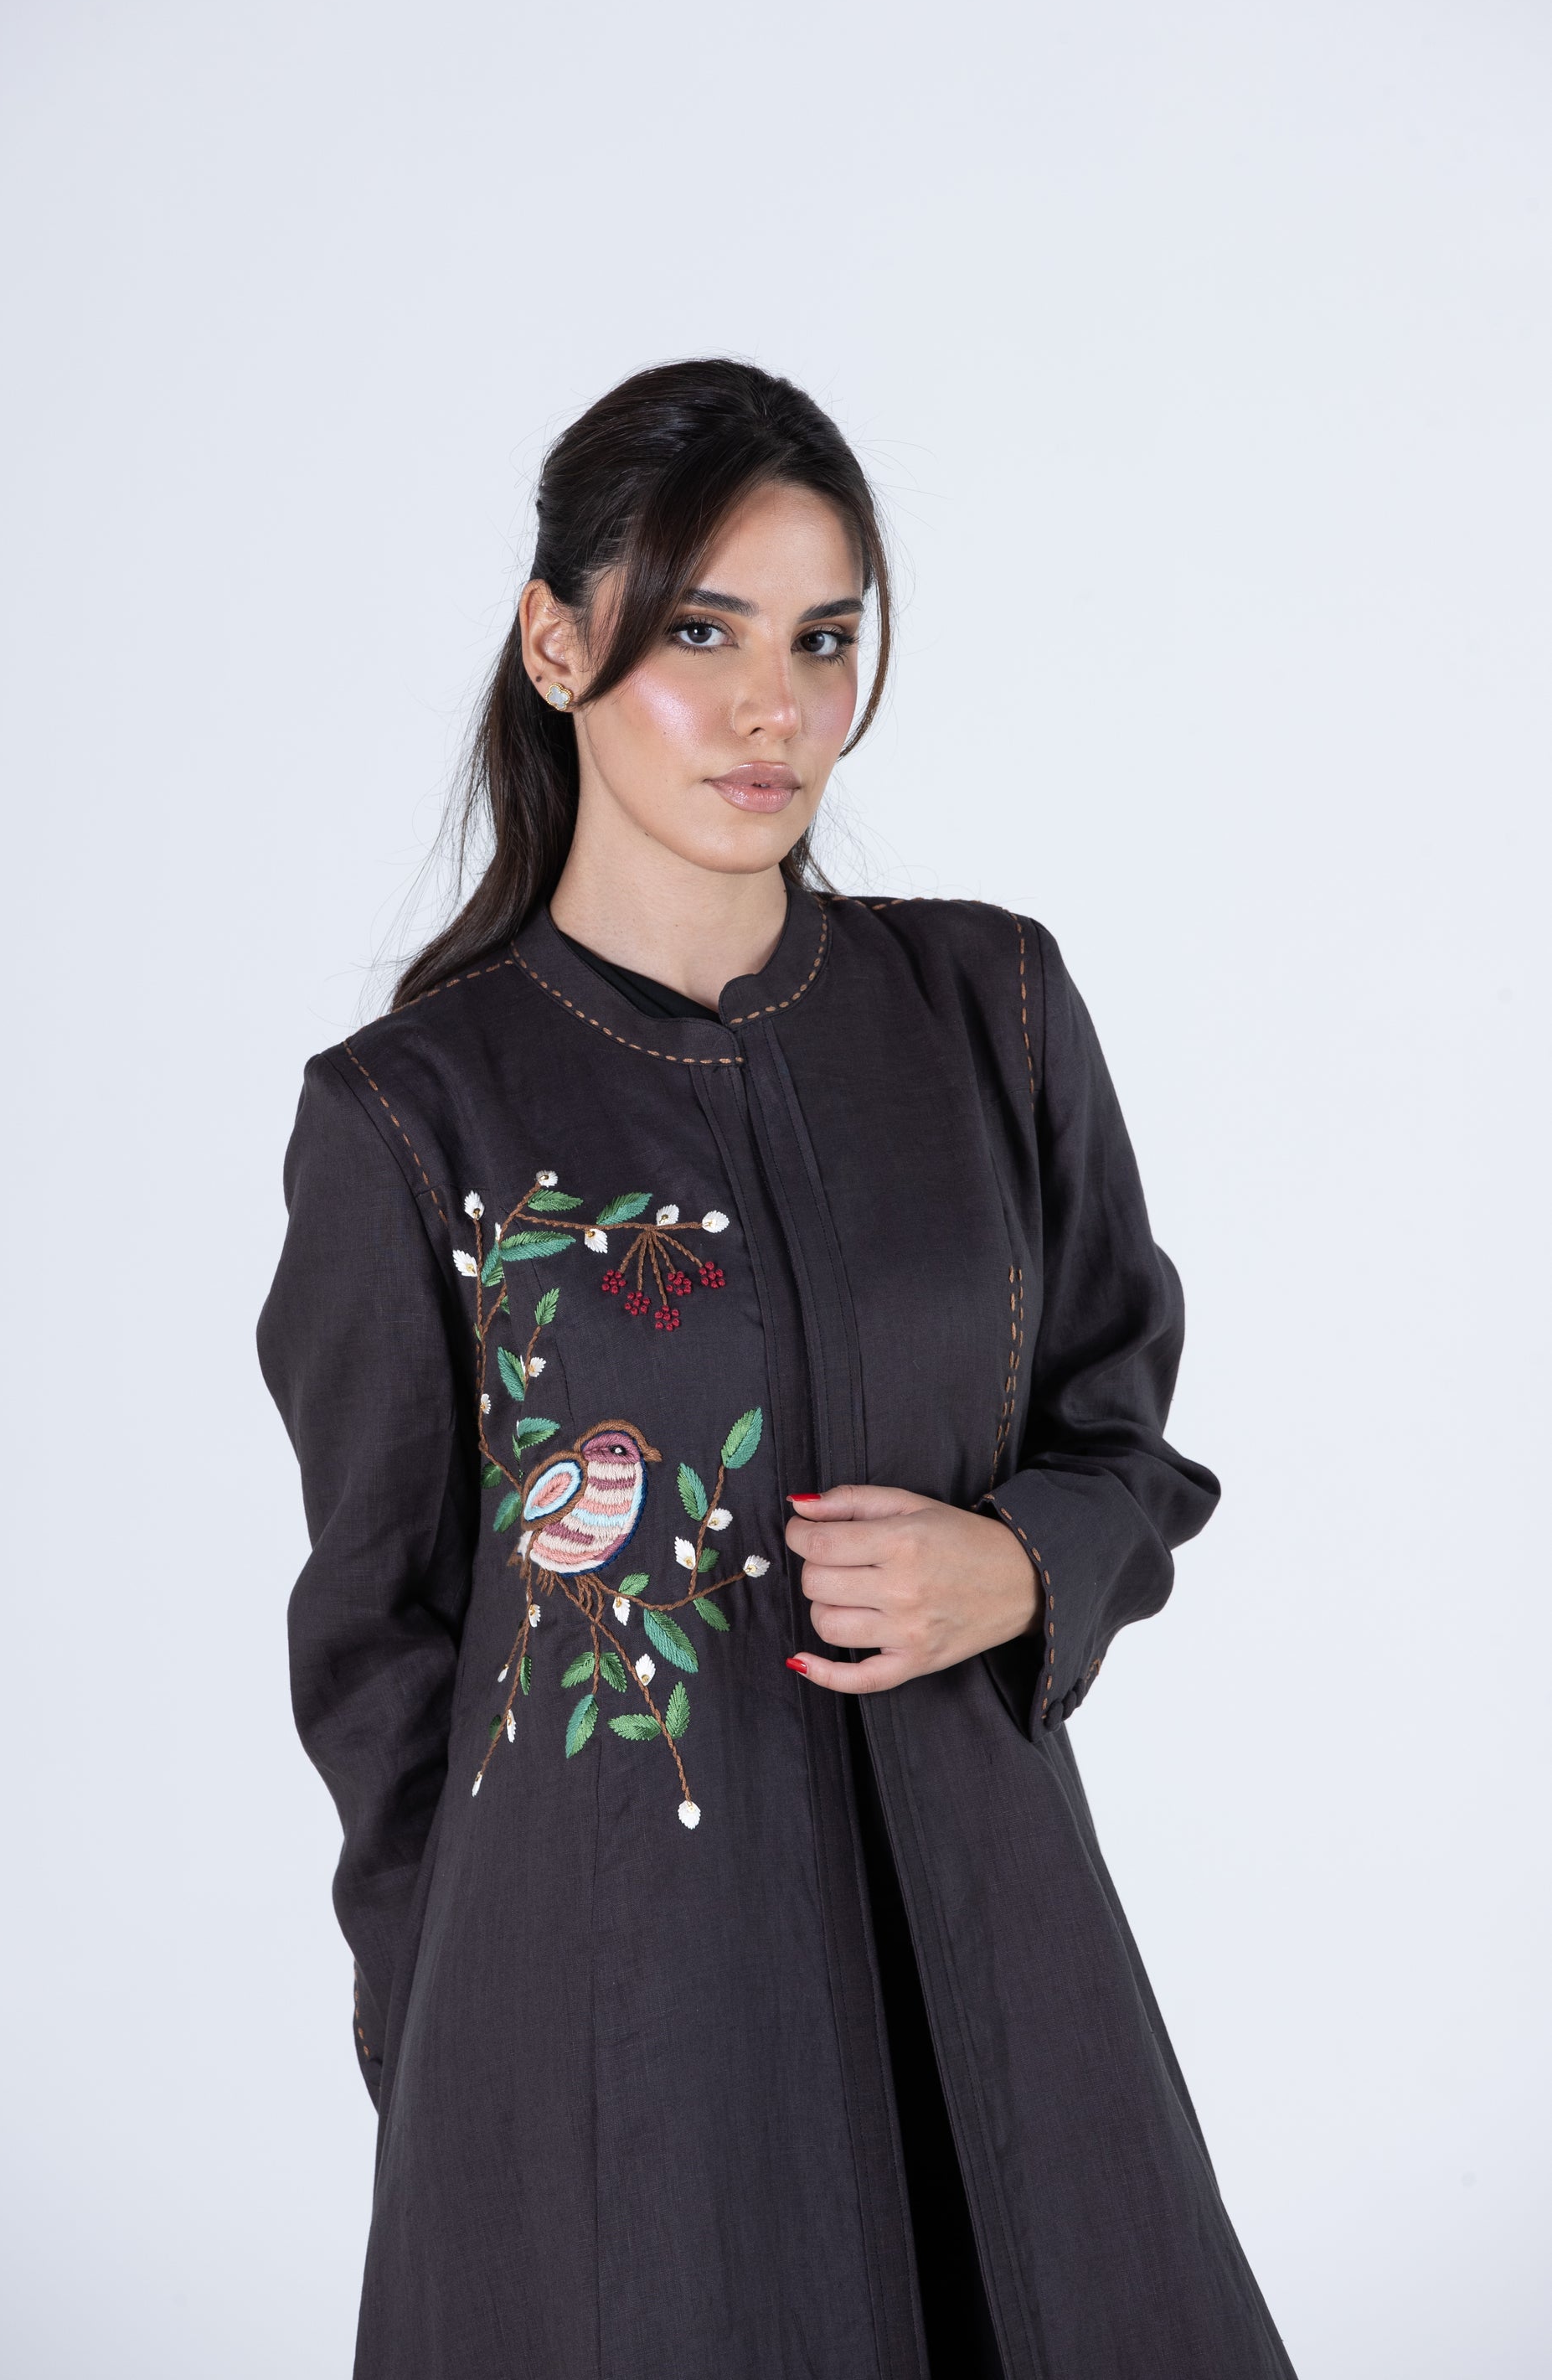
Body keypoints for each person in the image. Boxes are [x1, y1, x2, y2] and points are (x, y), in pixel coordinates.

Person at [258, 359, 1294, 2380]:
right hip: (614, 2021)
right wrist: (456, 2068)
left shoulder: (986, 1010)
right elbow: (377, 1648)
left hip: (993, 1956)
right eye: (701, 635)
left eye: (822, 640)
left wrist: (1019, 1565)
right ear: (557, 644)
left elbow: (1120, 1427)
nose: (773, 710)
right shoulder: (415, 1117)